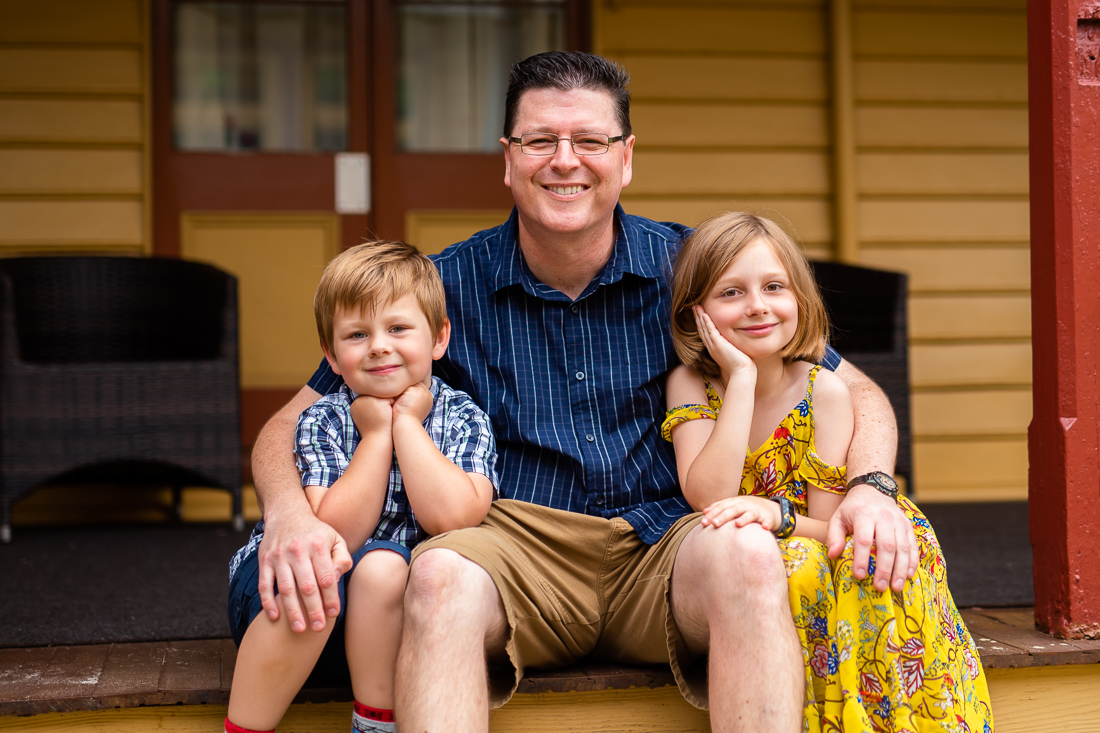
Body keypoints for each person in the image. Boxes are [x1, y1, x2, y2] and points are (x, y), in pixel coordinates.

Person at [239, 52, 919, 733]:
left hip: (664, 544)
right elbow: (288, 423)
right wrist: (292, 516)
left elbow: (855, 389)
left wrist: (870, 484)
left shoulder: (695, 269)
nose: (566, 160)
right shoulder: (444, 285)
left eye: (589, 140)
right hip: (514, 547)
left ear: (625, 159)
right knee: (438, 576)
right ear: (509, 159)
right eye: (541, 141)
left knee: (748, 555)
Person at [663, 211, 993, 731]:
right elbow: (709, 496)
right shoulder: (690, 383)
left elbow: (831, 532)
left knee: (802, 561)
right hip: (761, 560)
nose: (757, 307)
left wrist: (774, 515)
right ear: (695, 313)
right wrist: (742, 379)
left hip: (840, 544)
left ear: (800, 299)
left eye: (775, 286)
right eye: (731, 293)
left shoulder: (824, 393)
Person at [225, 241, 498, 733]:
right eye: (357, 334)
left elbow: (455, 518)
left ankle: (373, 724)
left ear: (439, 339)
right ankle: (245, 727)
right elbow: (337, 530)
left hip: (390, 617)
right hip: (290, 595)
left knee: (386, 568)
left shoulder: (462, 418)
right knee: (319, 565)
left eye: (397, 328)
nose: (378, 345)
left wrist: (408, 428)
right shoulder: (323, 420)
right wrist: (375, 435)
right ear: (331, 356)